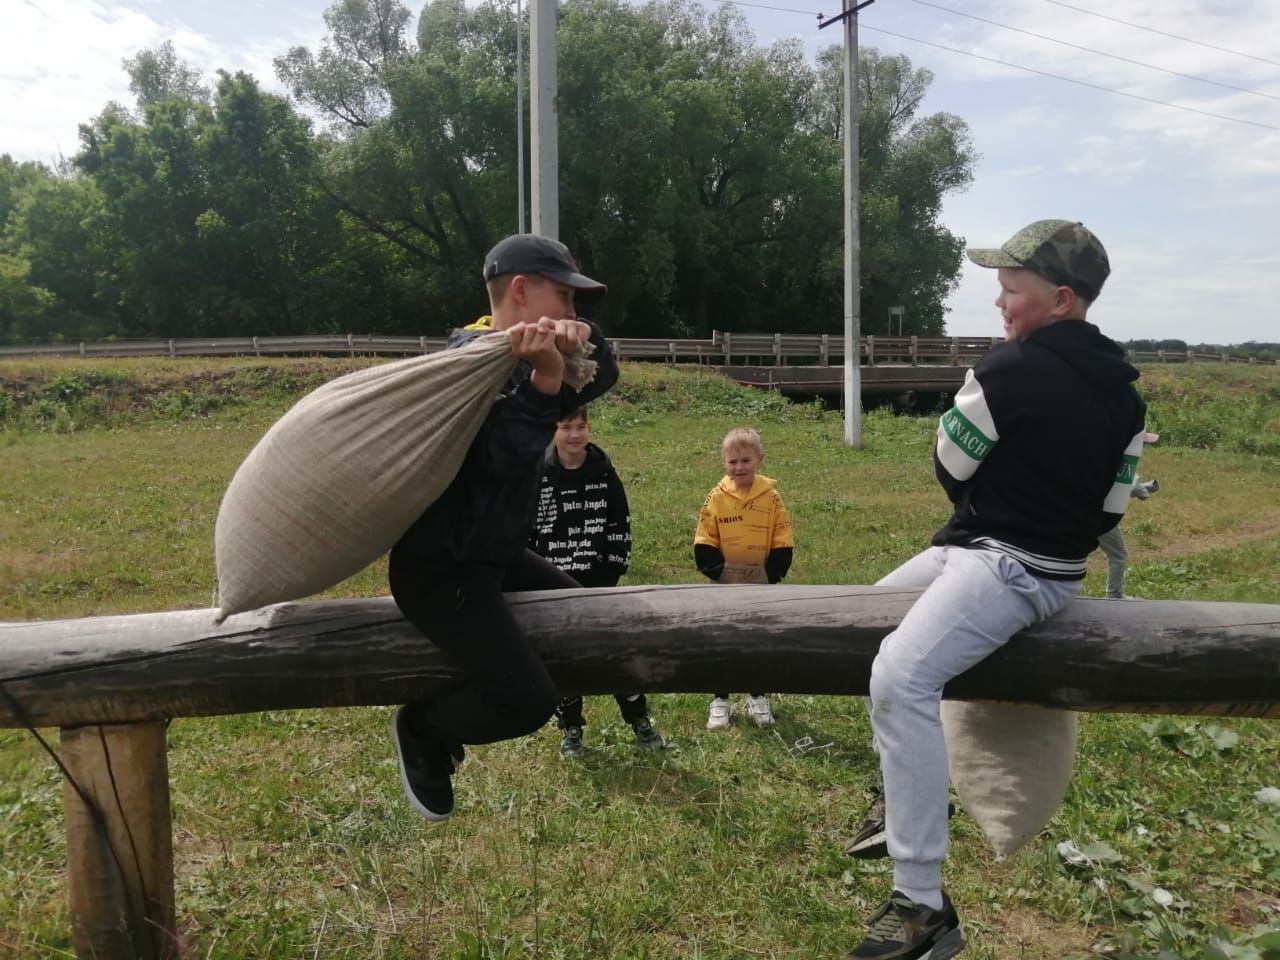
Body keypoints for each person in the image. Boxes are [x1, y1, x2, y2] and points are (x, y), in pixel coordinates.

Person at [843, 220, 1147, 959]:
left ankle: (921, 905)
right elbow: (1111, 509)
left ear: (1062, 300)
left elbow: (951, 461)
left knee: (897, 673)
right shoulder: (1130, 401)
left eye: (1012, 292)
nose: (1002, 307)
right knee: (856, 620)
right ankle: (905, 794)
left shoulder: (1006, 368)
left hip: (1005, 566)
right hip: (1027, 565)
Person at [387, 233, 619, 822]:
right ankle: (424, 728)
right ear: (520, 290)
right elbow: (501, 457)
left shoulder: (535, 350)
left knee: (590, 632)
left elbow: (602, 374)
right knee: (525, 701)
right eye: (564, 298)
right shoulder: (469, 365)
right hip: (442, 569)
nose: (572, 311)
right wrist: (545, 381)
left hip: (493, 555)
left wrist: (579, 342)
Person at [528, 405, 666, 757]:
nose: (574, 434)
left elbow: (619, 525)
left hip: (599, 584)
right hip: (552, 586)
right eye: (565, 426)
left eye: (581, 426)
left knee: (614, 653)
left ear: (589, 428)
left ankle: (639, 719)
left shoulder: (604, 474)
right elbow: (524, 531)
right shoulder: (537, 474)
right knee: (564, 660)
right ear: (553, 428)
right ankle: (571, 727)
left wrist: (609, 573)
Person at [693, 426, 794, 729]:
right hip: (725, 581)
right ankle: (720, 699)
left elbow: (782, 532)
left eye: (746, 461)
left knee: (757, 638)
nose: (739, 468)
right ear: (724, 462)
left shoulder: (772, 498)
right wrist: (710, 562)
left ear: (760, 459)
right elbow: (706, 533)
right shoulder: (716, 498)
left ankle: (758, 696)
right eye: (733, 462)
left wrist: (777, 564)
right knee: (723, 639)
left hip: (760, 582)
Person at [1098, 431, 1161, 599]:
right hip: (1102, 515)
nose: (1145, 447)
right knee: (1119, 555)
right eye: (1143, 443)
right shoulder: (1127, 460)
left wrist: (1145, 487)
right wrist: (1142, 491)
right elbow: (1131, 486)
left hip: (1088, 509)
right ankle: (1114, 594)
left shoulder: (1111, 451)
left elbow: (1118, 486)